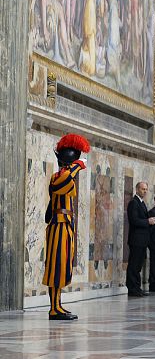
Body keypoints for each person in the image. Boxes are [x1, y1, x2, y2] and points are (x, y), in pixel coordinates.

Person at [44, 133, 90, 320]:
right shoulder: (58, 177)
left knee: (62, 267)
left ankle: (58, 306)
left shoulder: (65, 177)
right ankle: (54, 308)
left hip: (65, 227)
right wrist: (77, 165)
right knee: (55, 267)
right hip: (59, 227)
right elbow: (64, 180)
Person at [127, 181, 155, 297]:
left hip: (142, 239)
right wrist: (147, 221)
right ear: (137, 189)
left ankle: (137, 288)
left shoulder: (142, 203)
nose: (144, 191)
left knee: (138, 265)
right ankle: (132, 288)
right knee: (134, 265)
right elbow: (134, 220)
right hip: (136, 239)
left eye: (146, 189)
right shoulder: (134, 203)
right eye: (142, 189)